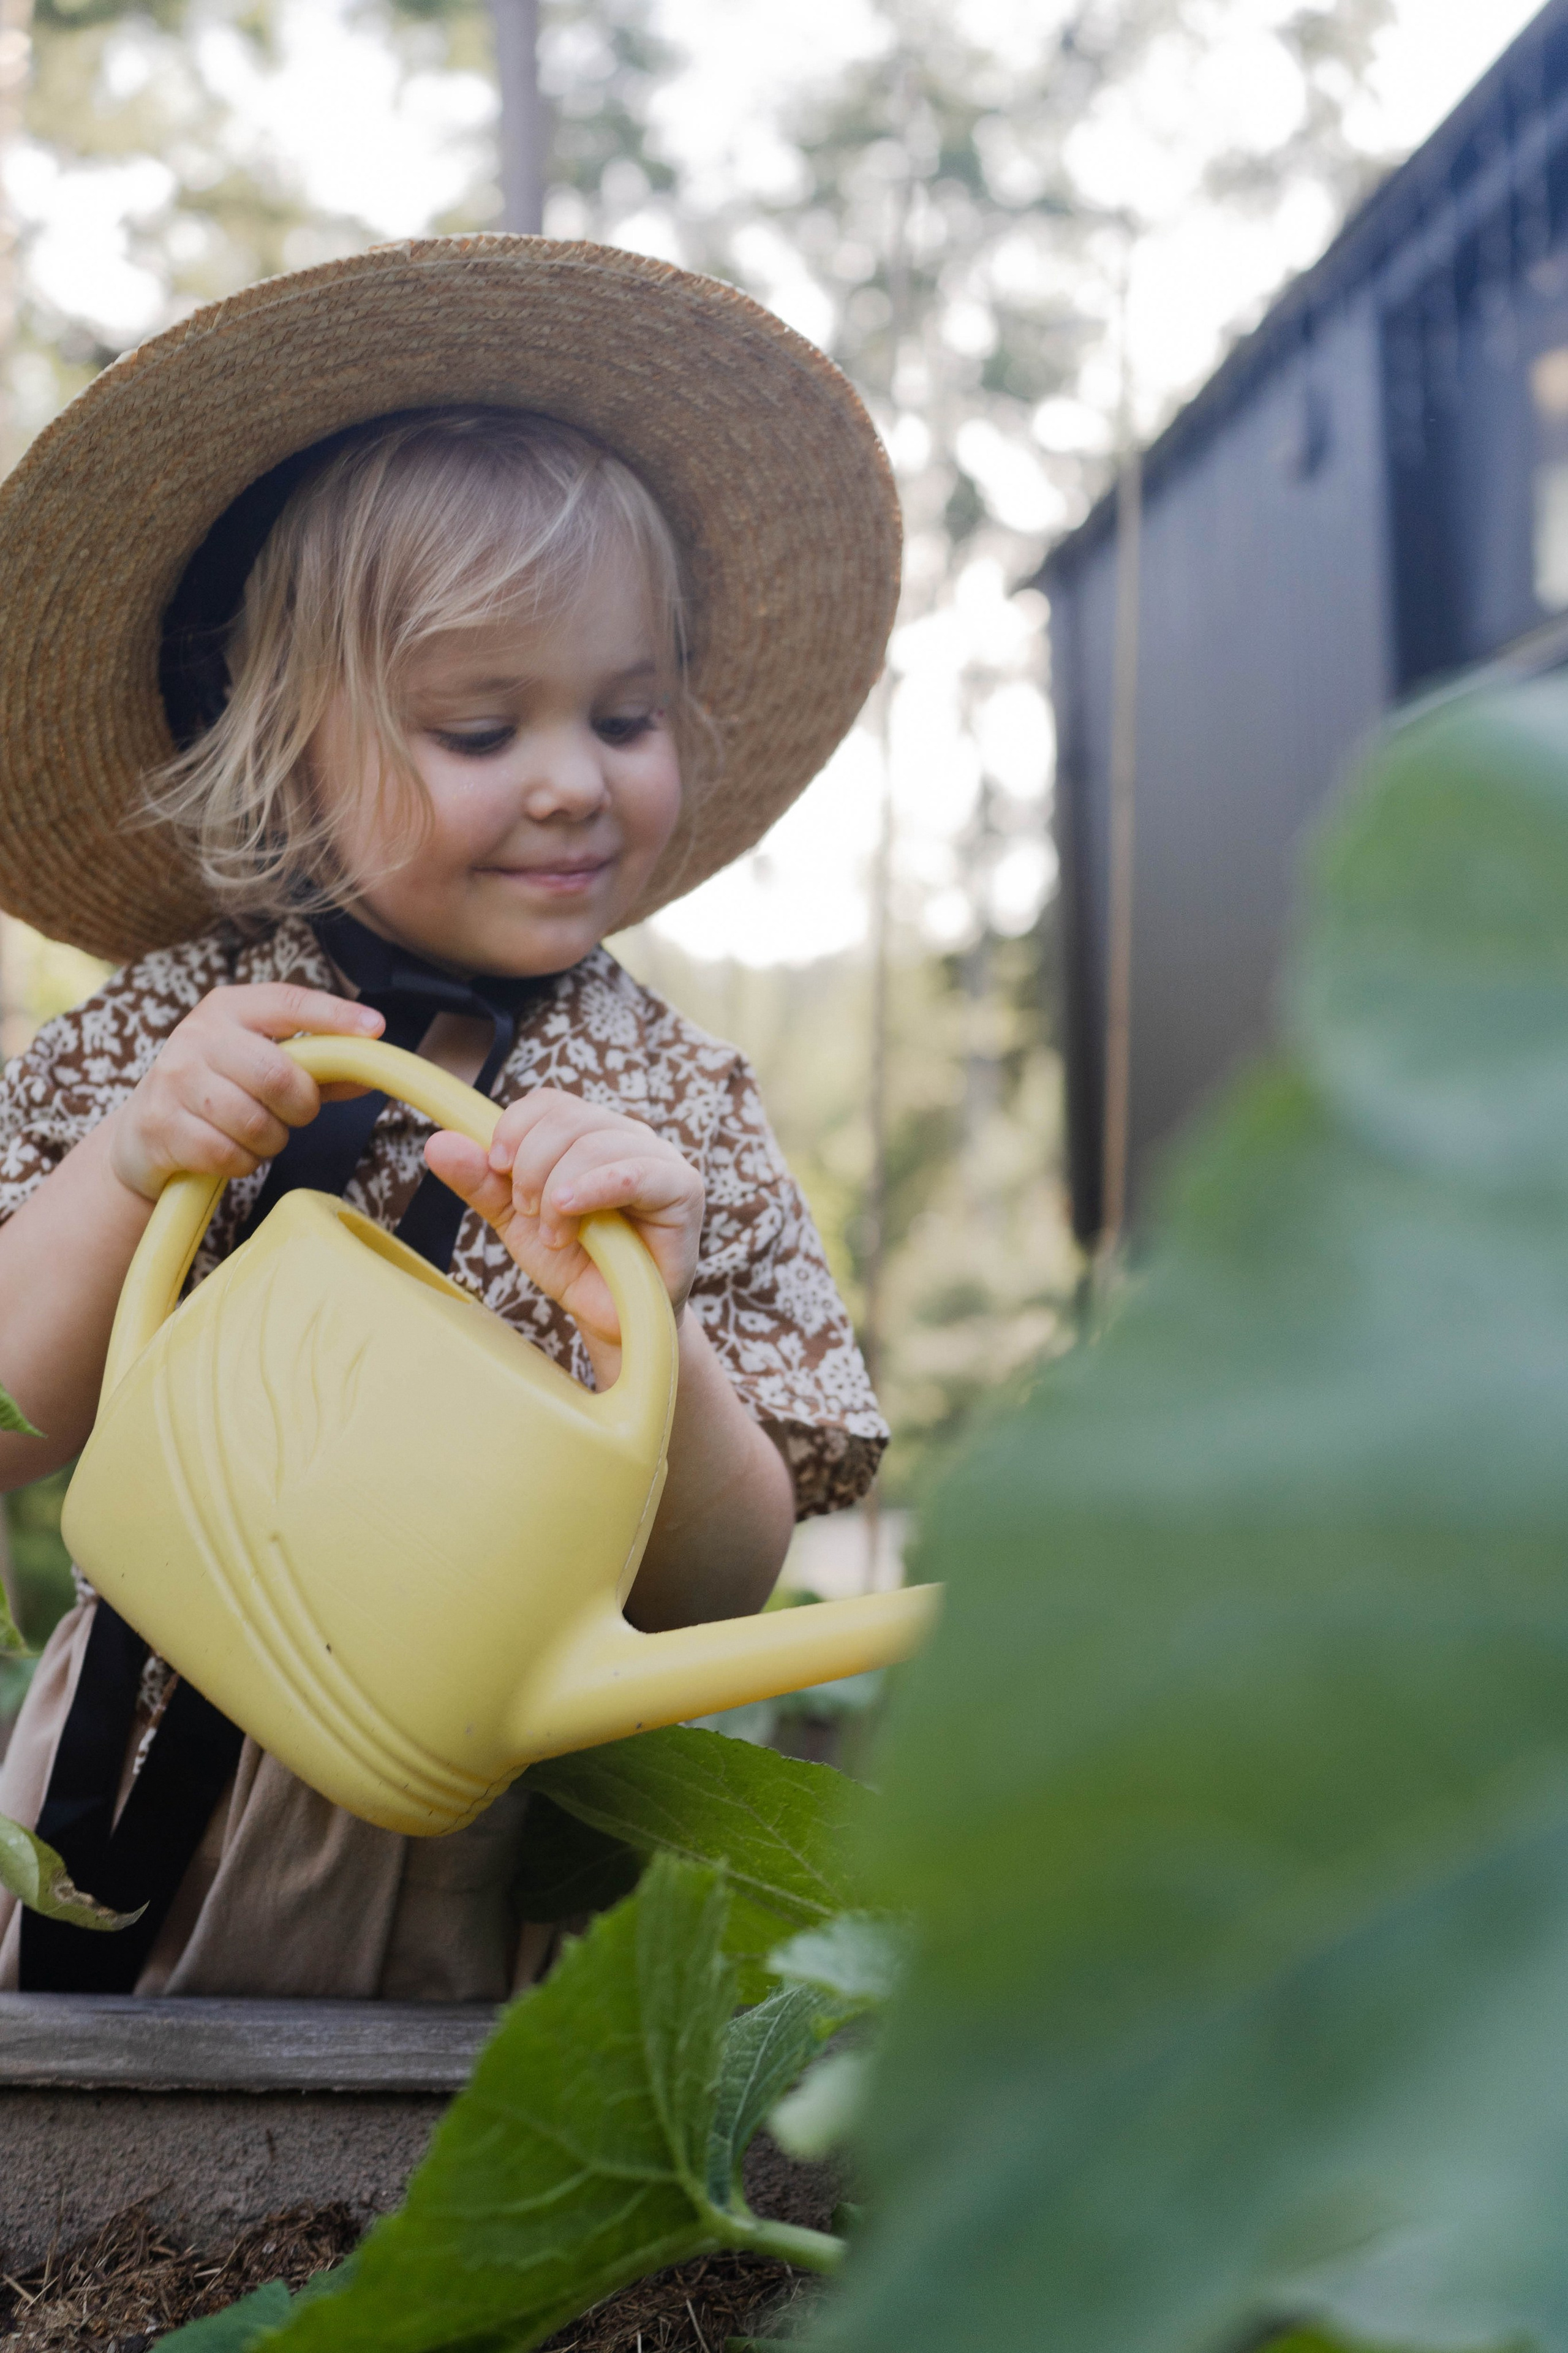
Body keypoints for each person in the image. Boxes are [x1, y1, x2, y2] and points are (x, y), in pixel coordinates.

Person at [0, 236, 901, 1999]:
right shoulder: (177, 1027)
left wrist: (646, 1336)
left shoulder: (672, 1110)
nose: (575, 776)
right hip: (102, 1763)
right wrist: (131, 1171)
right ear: (286, 746)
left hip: (446, 1845)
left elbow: (719, 1579)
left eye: (626, 715)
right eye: (483, 725)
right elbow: (10, 1420)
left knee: (357, 2203)